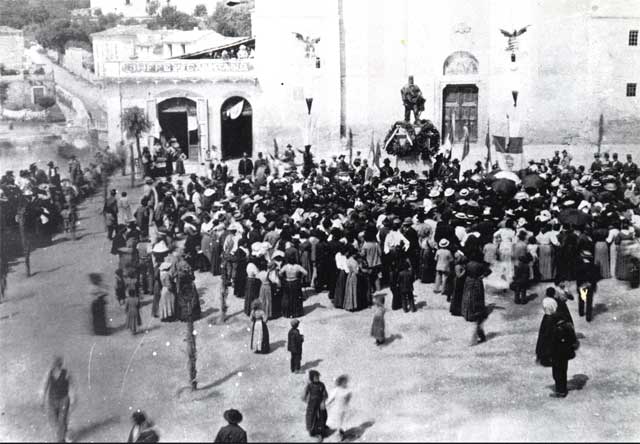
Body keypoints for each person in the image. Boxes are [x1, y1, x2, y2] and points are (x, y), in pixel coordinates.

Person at [535, 298, 579, 398]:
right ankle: (562, 389)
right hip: (564, 350)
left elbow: (545, 337)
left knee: (557, 372)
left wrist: (542, 352)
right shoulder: (561, 316)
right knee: (562, 370)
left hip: (556, 350)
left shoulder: (549, 319)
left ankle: (561, 391)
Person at [40, 356, 75, 443]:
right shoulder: (50, 373)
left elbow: (72, 385)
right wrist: (42, 399)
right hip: (52, 400)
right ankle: (64, 433)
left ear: (60, 364)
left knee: (62, 420)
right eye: (55, 364)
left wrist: (73, 397)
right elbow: (45, 386)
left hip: (64, 399)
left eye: (58, 364)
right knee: (55, 420)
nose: (55, 365)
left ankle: (61, 440)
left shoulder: (66, 373)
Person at [575, 250, 601, 322]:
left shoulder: (579, 266)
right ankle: (588, 316)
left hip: (582, 286)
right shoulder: (593, 266)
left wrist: (578, 285)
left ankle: (581, 312)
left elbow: (577, 277)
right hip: (590, 286)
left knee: (582, 299)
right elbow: (595, 277)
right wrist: (594, 285)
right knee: (589, 301)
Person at [303, 370, 328, 439]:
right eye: (315, 377)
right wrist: (307, 400)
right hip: (312, 406)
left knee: (322, 416)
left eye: (318, 377)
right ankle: (314, 433)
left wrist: (323, 401)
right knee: (312, 418)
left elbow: (325, 395)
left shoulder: (321, 385)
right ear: (311, 378)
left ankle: (321, 432)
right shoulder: (310, 386)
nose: (317, 378)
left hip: (320, 404)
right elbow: (304, 396)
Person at [326, 375, 352, 441]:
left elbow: (347, 401)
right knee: (337, 423)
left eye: (346, 382)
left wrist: (348, 400)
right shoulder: (336, 390)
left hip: (343, 409)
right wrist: (325, 405)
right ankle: (338, 438)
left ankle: (339, 433)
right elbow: (330, 399)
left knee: (340, 422)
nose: (345, 383)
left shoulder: (347, 391)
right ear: (340, 382)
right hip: (336, 409)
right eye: (343, 382)